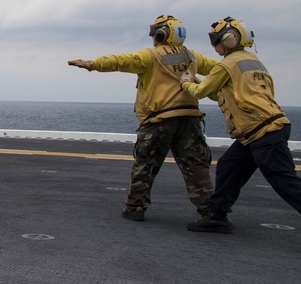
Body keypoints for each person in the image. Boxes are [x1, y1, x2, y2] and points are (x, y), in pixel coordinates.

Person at [68, 15, 218, 222]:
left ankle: (135, 207)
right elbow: (219, 70)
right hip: (189, 119)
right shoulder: (192, 56)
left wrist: (92, 64)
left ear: (161, 33)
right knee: (196, 168)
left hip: (159, 120)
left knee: (145, 165)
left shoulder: (152, 56)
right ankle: (211, 212)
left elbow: (120, 61)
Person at [179, 17, 301, 233]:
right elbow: (223, 94)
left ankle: (217, 214)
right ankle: (217, 215)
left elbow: (201, 92)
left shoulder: (227, 64)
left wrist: (187, 82)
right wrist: (198, 81)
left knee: (284, 181)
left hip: (262, 131)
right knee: (229, 166)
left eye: (215, 39)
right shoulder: (252, 62)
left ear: (229, 40)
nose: (214, 45)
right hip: (261, 129)